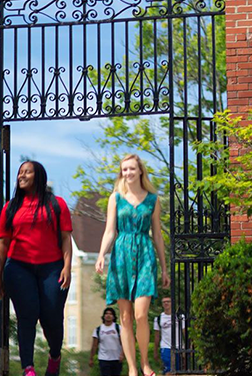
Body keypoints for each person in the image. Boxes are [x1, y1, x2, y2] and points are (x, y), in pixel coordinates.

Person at [0, 160, 72, 376]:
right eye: (20, 172)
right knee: (26, 316)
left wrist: (67, 267)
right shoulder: (11, 207)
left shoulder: (57, 204)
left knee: (52, 317)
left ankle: (55, 356)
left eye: (27, 172)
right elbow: (3, 245)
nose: (21, 176)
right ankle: (28, 368)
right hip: (18, 268)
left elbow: (65, 238)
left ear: (39, 176)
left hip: (52, 267)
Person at [95, 154, 170, 376]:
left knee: (140, 314)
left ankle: (145, 363)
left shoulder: (153, 200)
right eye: (124, 170)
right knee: (125, 317)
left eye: (131, 169)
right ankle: (132, 368)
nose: (127, 173)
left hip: (145, 255)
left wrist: (164, 267)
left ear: (140, 172)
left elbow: (157, 235)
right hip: (121, 257)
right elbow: (110, 231)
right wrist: (101, 255)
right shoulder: (115, 198)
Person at [89, 307, 124, 376]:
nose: (108, 315)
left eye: (110, 314)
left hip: (116, 358)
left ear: (113, 317)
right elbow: (94, 345)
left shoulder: (118, 328)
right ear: (103, 316)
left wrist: (122, 354)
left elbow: (123, 343)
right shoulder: (98, 329)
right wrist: (91, 358)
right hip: (103, 358)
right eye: (106, 314)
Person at [154, 297, 184, 374]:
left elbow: (184, 332)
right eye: (164, 302)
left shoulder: (180, 317)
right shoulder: (158, 318)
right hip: (165, 347)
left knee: (178, 370)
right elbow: (157, 336)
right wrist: (155, 351)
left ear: (172, 303)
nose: (166, 303)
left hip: (179, 347)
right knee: (168, 369)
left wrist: (187, 345)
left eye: (168, 301)